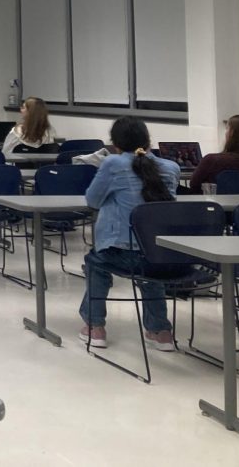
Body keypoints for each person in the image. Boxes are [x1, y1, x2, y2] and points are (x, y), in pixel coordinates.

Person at [78, 116, 180, 351]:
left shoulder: (113, 164)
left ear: (115, 143)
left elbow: (92, 201)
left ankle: (95, 327)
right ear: (148, 140)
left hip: (121, 252)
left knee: (97, 263)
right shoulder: (171, 168)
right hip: (160, 254)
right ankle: (161, 331)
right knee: (149, 272)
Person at [188, 114, 239, 190]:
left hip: (217, 201)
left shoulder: (211, 160)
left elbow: (194, 184)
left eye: (227, 129)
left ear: (231, 133)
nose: (225, 133)